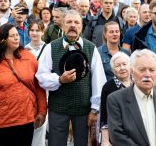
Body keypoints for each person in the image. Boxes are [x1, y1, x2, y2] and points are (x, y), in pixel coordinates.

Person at [36, 10, 107, 146]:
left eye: (76, 22)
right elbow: (41, 76)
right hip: (58, 107)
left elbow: (98, 81)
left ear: (81, 26)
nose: (73, 25)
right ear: (62, 25)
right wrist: (59, 80)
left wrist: (94, 109)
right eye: (69, 22)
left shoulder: (91, 48)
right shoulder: (51, 47)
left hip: (83, 109)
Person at [0, 23, 47, 146]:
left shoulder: (28, 57)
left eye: (17, 35)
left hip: (26, 117)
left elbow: (38, 85)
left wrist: (42, 111)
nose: (16, 38)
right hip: (1, 121)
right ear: (3, 40)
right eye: (12, 36)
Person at [107, 49, 156, 146]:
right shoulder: (116, 100)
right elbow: (116, 136)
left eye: (152, 70)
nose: (147, 74)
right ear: (132, 71)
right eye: (142, 70)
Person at [100, 52, 132, 146]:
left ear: (130, 66)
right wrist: (105, 140)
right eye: (118, 66)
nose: (122, 68)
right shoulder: (108, 87)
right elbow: (104, 115)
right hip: (117, 134)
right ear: (113, 70)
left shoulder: (137, 83)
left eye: (124, 64)